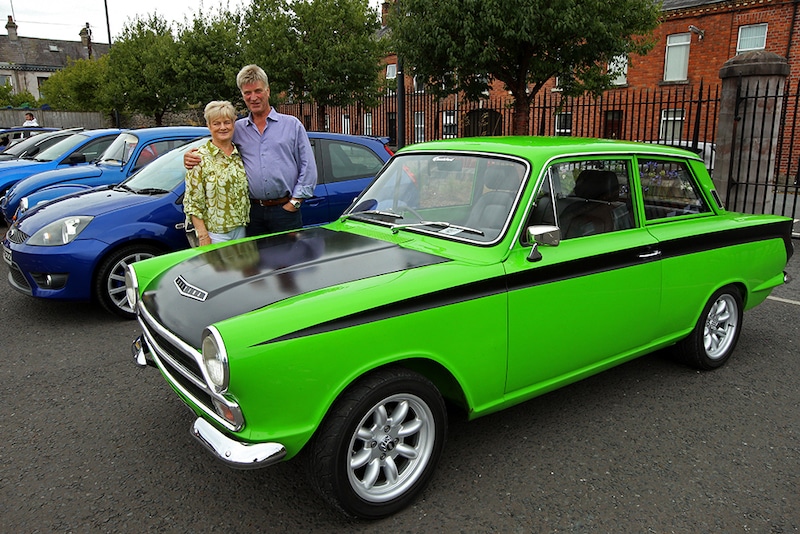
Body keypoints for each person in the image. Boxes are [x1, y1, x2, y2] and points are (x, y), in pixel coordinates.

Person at [185, 64, 317, 237]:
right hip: (252, 215)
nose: (253, 97)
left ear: (268, 91)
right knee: (256, 263)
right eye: (247, 93)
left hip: (285, 211)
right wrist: (189, 156)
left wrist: (295, 203)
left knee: (290, 262)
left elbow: (308, 168)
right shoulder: (237, 129)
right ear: (242, 95)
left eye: (258, 91)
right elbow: (216, 146)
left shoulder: (292, 125)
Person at [184, 101, 250, 246]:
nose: (222, 127)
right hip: (215, 233)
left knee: (241, 268)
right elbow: (193, 203)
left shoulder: (240, 154)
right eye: (216, 123)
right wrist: (203, 236)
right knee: (220, 269)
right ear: (208, 125)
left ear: (234, 123)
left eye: (227, 122)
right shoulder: (199, 158)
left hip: (241, 229)